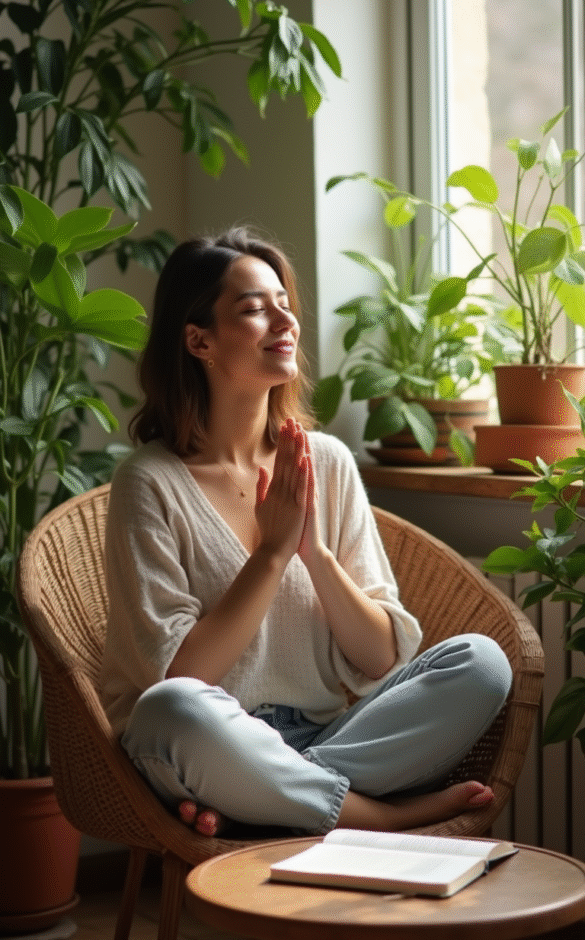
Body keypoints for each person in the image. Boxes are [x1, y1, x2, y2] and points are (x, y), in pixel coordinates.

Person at [99, 227, 513, 840]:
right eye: (254, 310)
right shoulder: (149, 483)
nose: (283, 321)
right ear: (198, 340)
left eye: (284, 306)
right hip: (208, 734)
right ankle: (376, 816)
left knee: (483, 664)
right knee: (172, 710)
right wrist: (271, 552)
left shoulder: (325, 462)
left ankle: (263, 802)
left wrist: (312, 551)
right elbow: (179, 676)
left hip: (323, 738)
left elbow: (380, 658)